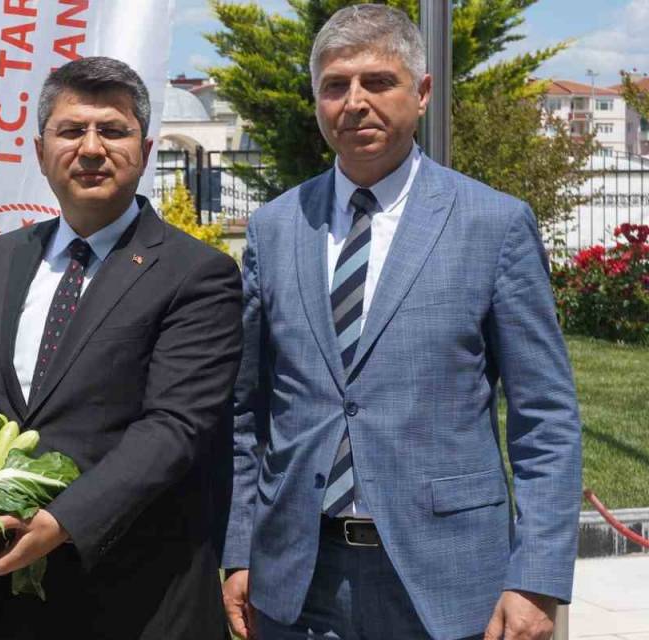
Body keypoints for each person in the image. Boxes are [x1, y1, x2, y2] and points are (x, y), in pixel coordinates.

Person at [222, 6, 583, 640]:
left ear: (421, 94)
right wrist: (239, 547)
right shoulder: (274, 228)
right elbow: (248, 409)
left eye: (377, 82)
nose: (354, 102)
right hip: (294, 580)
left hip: (445, 582)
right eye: (335, 86)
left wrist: (536, 578)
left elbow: (545, 417)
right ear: (317, 101)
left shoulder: (492, 224)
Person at [0, 56, 244, 640]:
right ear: (40, 151)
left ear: (145, 147)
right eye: (71, 130)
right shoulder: (1, 259)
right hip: (5, 599)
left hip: (138, 603)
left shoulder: (198, 274)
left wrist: (62, 521)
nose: (90, 148)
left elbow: (175, 428)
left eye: (111, 130)